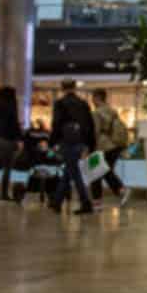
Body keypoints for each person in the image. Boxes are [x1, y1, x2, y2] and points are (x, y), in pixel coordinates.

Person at [49, 80, 96, 215]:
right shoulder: (83, 103)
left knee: (74, 172)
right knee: (69, 171)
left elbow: (56, 124)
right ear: (74, 88)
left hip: (67, 141)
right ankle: (56, 202)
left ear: (62, 88)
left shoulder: (60, 103)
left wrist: (52, 142)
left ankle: (85, 202)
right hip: (81, 141)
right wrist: (90, 144)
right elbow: (90, 125)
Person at [91, 88, 130, 206]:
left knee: (98, 172)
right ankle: (101, 199)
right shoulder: (113, 111)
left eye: (93, 98)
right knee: (103, 171)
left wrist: (89, 146)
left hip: (103, 146)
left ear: (97, 98)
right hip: (115, 146)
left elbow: (95, 132)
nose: (92, 101)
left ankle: (120, 190)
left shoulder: (96, 113)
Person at [0, 85, 23, 204]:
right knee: (7, 168)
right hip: (7, 140)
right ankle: (4, 193)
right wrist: (19, 139)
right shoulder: (11, 105)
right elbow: (14, 124)